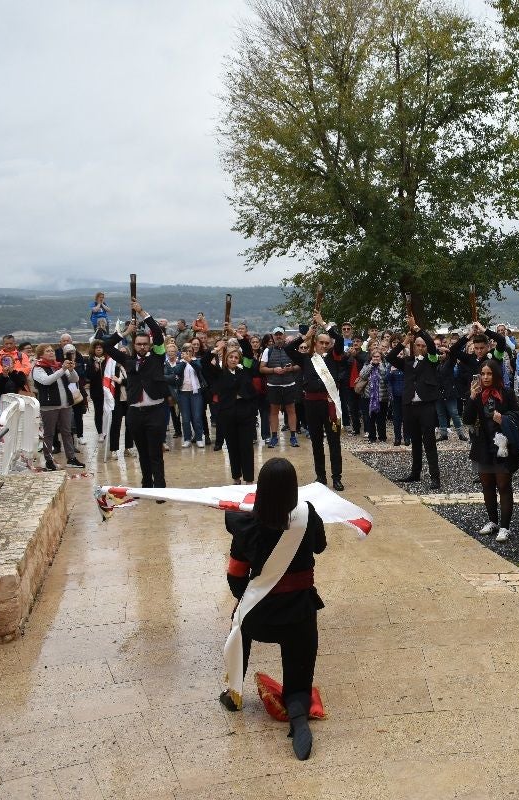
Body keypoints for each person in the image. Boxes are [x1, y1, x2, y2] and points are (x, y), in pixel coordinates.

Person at [220, 457, 326, 759]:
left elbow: (235, 575)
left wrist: (248, 599)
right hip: (300, 614)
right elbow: (320, 546)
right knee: (299, 666)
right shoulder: (308, 515)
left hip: (260, 618)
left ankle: (234, 693)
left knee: (239, 622)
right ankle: (298, 710)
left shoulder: (246, 524)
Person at [103, 300, 170, 491]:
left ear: (149, 345)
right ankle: (146, 483)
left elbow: (157, 333)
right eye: (139, 344)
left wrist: (142, 312)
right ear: (134, 344)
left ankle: (160, 486)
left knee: (155, 451)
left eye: (145, 344)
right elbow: (107, 346)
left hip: (156, 410)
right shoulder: (127, 360)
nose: (142, 347)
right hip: (135, 413)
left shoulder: (157, 356)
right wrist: (124, 332)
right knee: (142, 451)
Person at [464, 361, 519, 542]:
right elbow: (467, 419)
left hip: (502, 444)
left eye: (489, 374)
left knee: (504, 485)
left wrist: (504, 420)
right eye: (483, 374)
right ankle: (492, 521)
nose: (485, 377)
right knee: (487, 485)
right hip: (482, 445)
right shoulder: (477, 393)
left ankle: (505, 527)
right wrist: (472, 397)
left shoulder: (506, 393)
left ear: (496, 375)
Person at [286, 311, 345, 490]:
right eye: (321, 342)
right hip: (312, 405)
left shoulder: (334, 357)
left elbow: (339, 340)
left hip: (330, 405)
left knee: (334, 442)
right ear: (316, 343)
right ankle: (321, 476)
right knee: (316, 442)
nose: (324, 346)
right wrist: (305, 336)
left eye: (327, 343)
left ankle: (337, 477)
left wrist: (324, 323)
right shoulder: (306, 359)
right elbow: (288, 349)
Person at [389, 316, 444, 490]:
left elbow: (432, 345)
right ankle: (415, 472)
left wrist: (417, 328)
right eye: (418, 345)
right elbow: (390, 357)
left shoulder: (432, 360)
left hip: (426, 406)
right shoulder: (407, 361)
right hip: (410, 406)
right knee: (415, 441)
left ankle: (435, 477)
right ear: (413, 346)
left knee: (429, 442)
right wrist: (404, 342)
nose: (420, 348)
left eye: (423, 345)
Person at [204, 337, 260, 484]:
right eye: (231, 357)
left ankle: (249, 479)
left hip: (245, 414)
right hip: (227, 415)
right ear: (226, 358)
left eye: (236, 357)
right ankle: (236, 478)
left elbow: (248, 353)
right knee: (232, 447)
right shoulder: (219, 373)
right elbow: (204, 363)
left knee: (246, 447)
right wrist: (217, 349)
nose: (234, 359)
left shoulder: (245, 370)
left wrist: (238, 336)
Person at [32, 344, 83, 469]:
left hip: (65, 404)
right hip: (49, 406)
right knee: (49, 434)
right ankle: (49, 460)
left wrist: (71, 370)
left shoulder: (58, 365)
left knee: (67, 432)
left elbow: (74, 379)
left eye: (52, 350)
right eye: (47, 351)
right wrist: (63, 369)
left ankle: (71, 458)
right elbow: (47, 381)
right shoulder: (38, 368)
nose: (51, 352)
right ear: (41, 355)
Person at [261, 330, 301, 448]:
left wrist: (291, 369)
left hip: (289, 384)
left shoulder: (291, 349)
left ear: (284, 335)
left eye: (280, 334)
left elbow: (300, 365)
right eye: (276, 335)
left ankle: (293, 436)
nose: (278, 337)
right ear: (273, 337)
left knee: (291, 410)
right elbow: (261, 368)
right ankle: (274, 437)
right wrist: (274, 370)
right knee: (274, 412)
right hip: (273, 385)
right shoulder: (268, 350)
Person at [357, 347, 390, 443]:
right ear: (371, 357)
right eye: (374, 356)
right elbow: (362, 375)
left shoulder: (385, 365)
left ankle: (382, 437)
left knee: (381, 418)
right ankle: (372, 437)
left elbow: (385, 376)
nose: (376, 358)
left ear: (381, 357)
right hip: (369, 396)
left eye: (377, 356)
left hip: (382, 396)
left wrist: (380, 366)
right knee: (370, 418)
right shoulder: (367, 364)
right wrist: (371, 365)